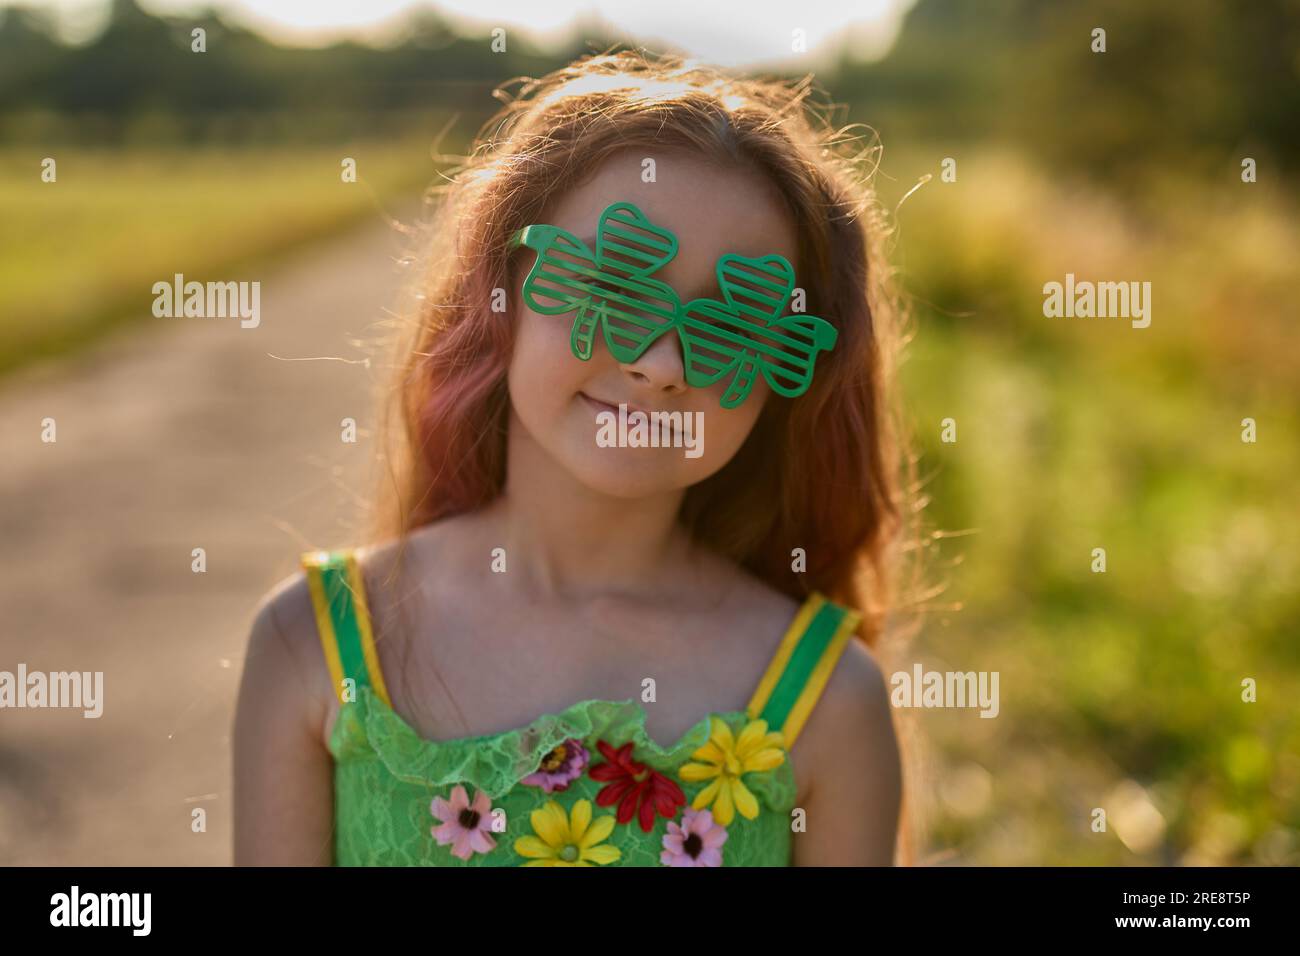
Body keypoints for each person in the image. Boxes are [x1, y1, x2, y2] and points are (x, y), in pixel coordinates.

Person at [233, 49, 908, 867]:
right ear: (500, 291)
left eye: (736, 323)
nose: (662, 361)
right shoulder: (316, 643)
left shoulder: (828, 702)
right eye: (616, 284)